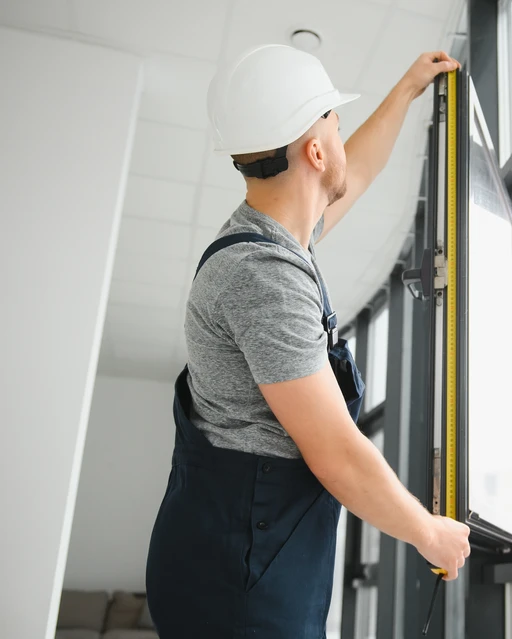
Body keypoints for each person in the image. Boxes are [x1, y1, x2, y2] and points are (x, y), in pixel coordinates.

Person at [145, 44, 470, 638]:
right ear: (317, 153)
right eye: (335, 126)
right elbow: (336, 454)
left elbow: (358, 172)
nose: (343, 140)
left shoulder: (274, 240)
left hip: (247, 550)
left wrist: (407, 88)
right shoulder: (263, 276)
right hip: (236, 584)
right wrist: (430, 533)